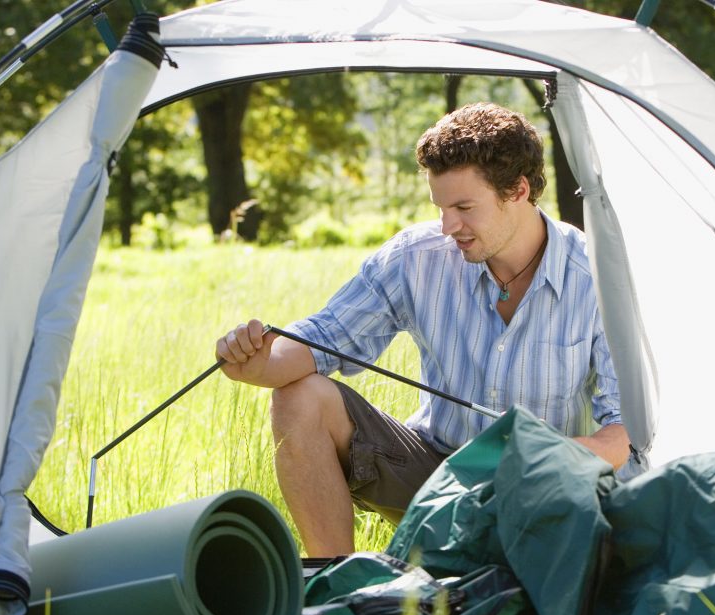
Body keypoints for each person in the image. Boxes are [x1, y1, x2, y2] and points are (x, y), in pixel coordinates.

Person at [216, 102, 639, 557]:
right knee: (298, 396)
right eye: (440, 207)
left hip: (539, 490)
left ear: (517, 191)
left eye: (463, 207)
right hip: (430, 475)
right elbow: (325, 338)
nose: (447, 226)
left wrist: (548, 463)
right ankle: (333, 584)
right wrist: (258, 364)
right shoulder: (416, 258)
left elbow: (626, 431)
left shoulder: (597, 277)